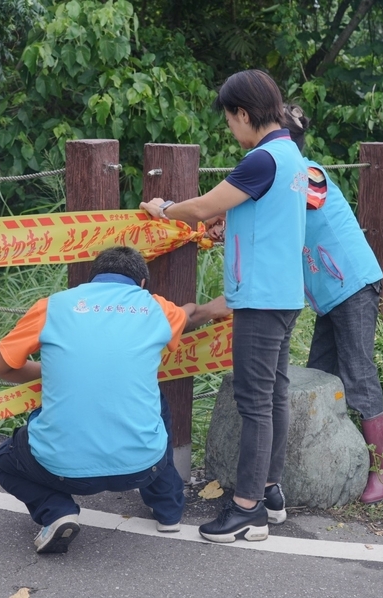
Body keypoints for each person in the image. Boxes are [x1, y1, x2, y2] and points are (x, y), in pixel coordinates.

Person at [141, 69, 308, 543]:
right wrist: (227, 223)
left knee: (255, 402)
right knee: (273, 395)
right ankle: (269, 492)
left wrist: (164, 208)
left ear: (242, 113)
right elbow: (251, 213)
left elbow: (201, 207)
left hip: (259, 297)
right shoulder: (291, 155)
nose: (231, 131)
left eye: (230, 121)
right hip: (284, 292)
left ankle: (246, 510)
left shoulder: (261, 160)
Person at [0, 246, 232, 554]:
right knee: (156, 401)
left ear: (92, 281)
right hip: (144, 467)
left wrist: (51, 370)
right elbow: (192, 315)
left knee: (5, 460)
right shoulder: (154, 307)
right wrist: (219, 308)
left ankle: (56, 510)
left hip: (61, 470)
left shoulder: (54, 305)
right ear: (142, 284)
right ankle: (168, 510)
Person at [283, 103, 383, 503]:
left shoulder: (309, 174)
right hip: (330, 294)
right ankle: (327, 465)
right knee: (320, 372)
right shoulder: (286, 177)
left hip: (351, 285)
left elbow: (300, 203)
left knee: (358, 373)